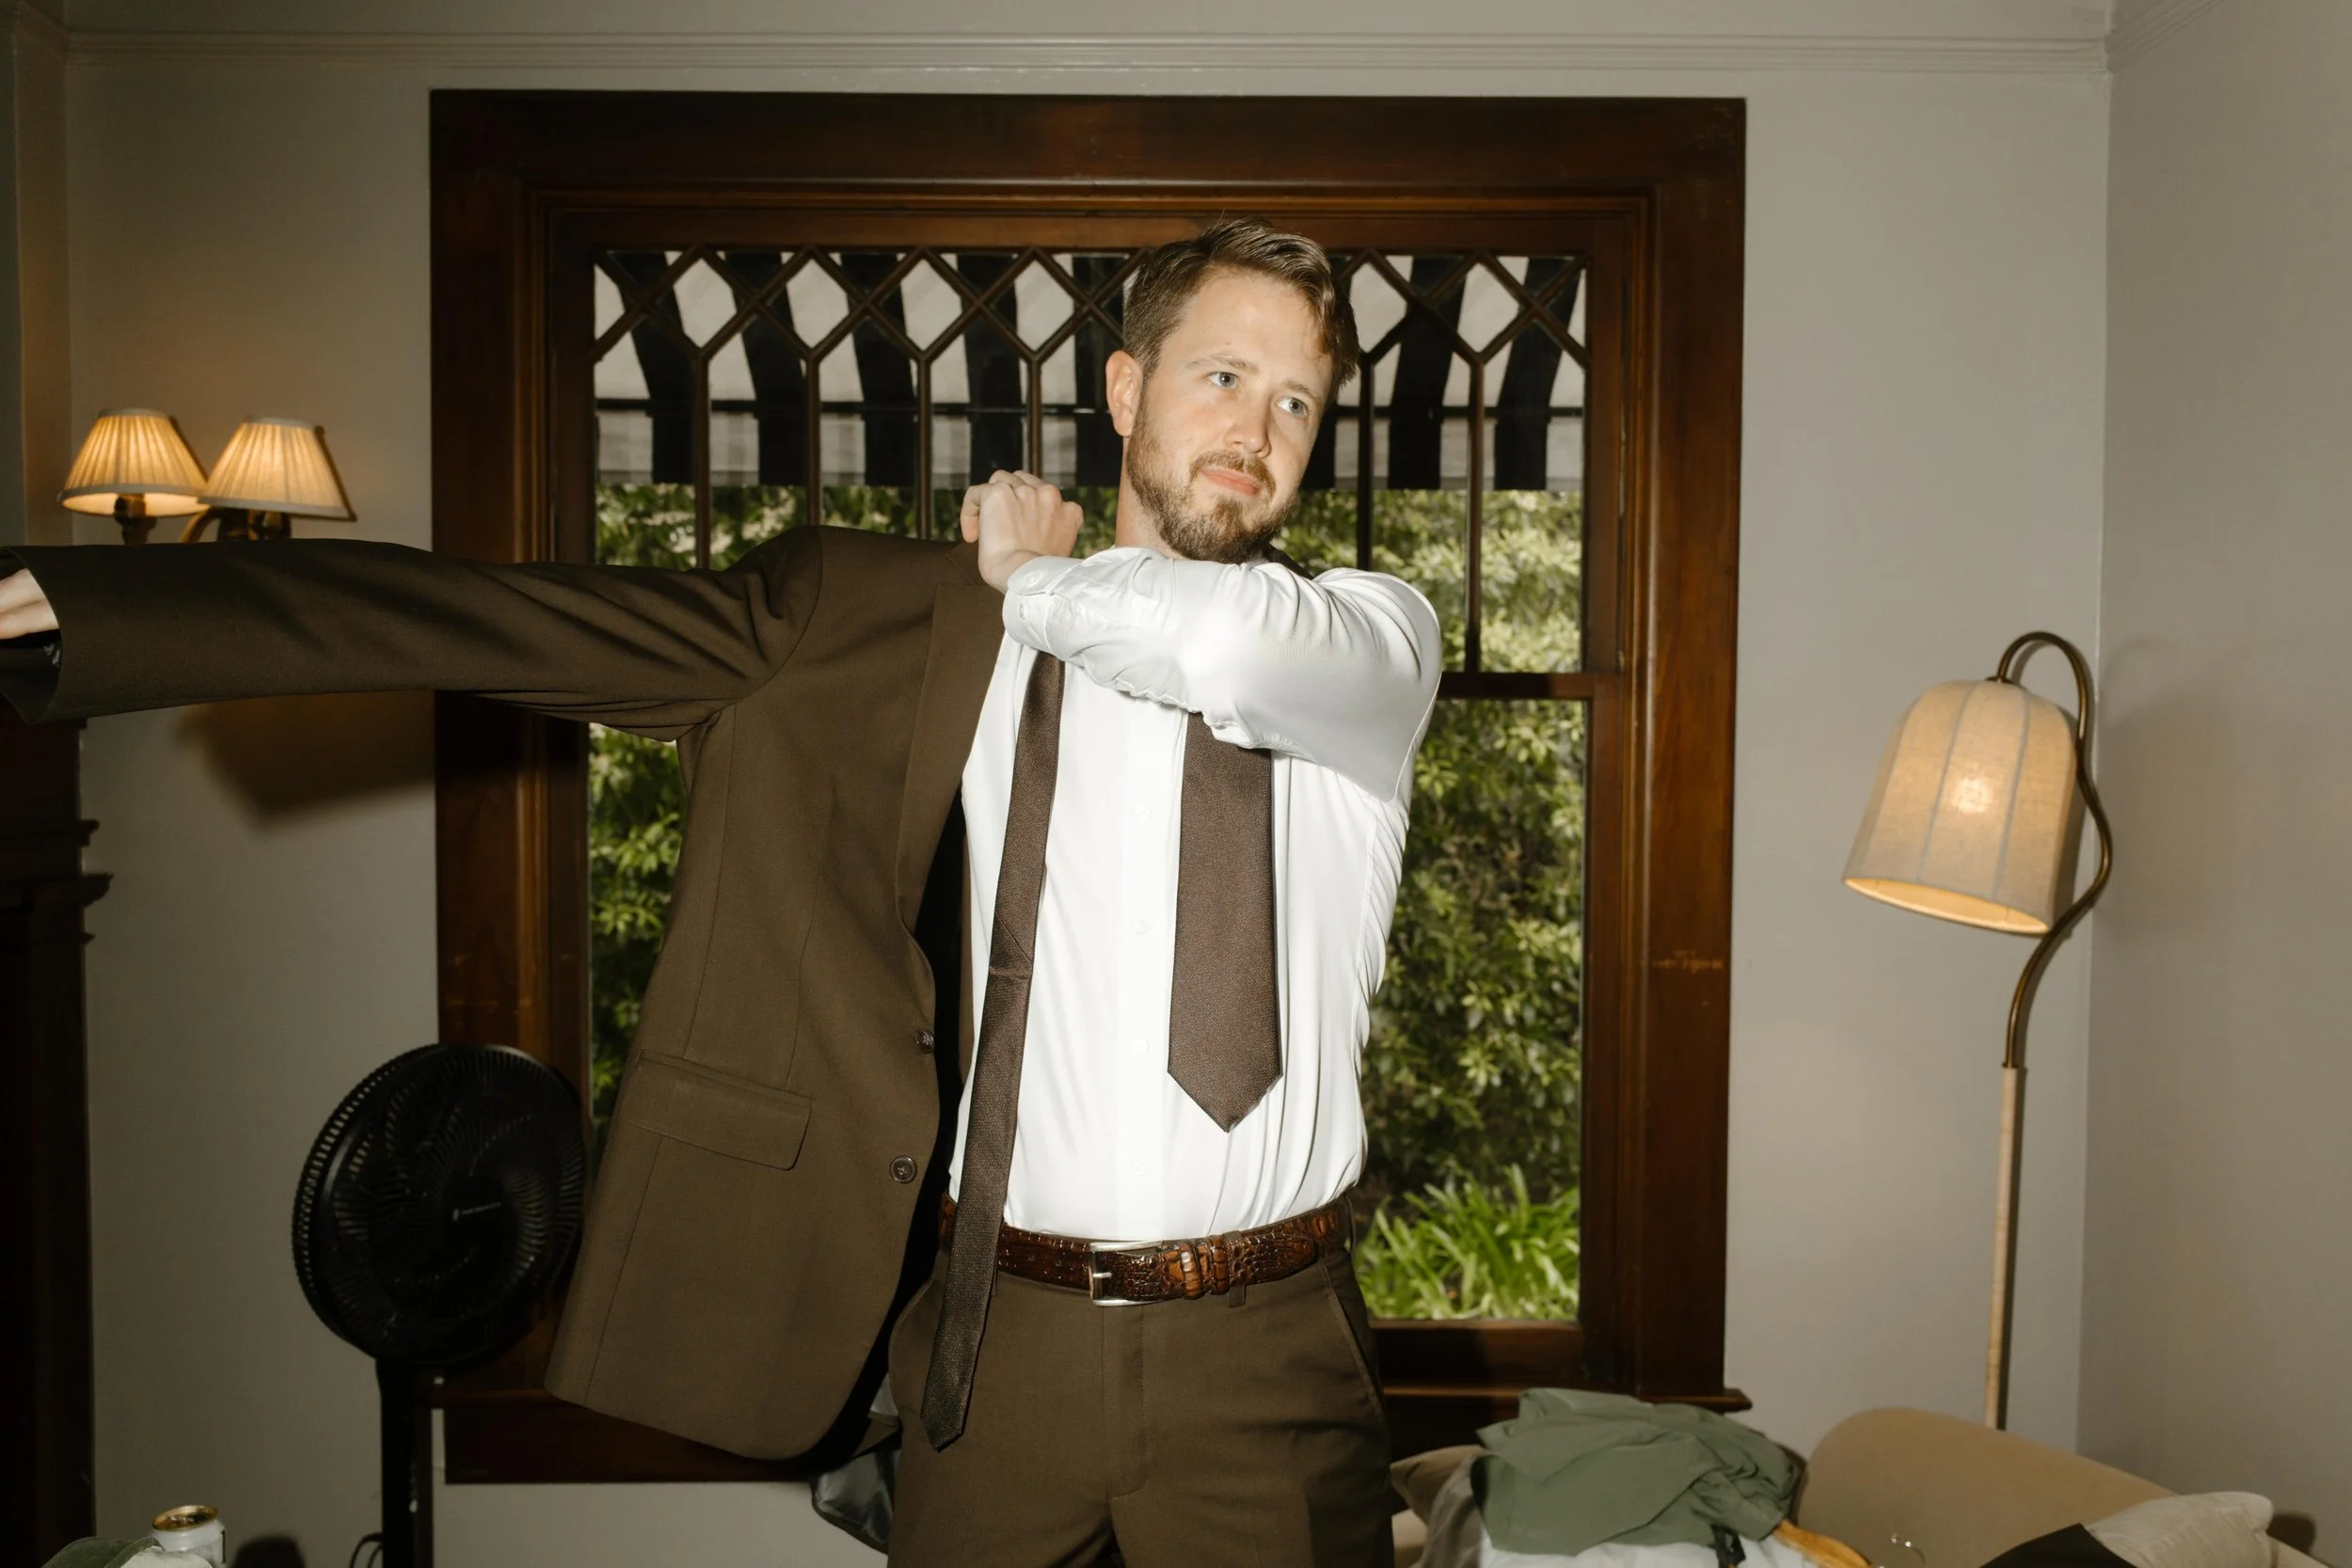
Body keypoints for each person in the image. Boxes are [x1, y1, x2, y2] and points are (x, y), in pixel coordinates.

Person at [0, 218, 1440, 1568]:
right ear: (1126, 387)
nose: (1258, 432)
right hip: (998, 1355)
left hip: (1270, 1351)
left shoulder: (1368, 648)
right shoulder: (906, 621)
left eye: (1300, 402)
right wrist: (122, 610)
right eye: (1225, 375)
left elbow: (1227, 650)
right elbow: (528, 620)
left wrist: (1032, 582)